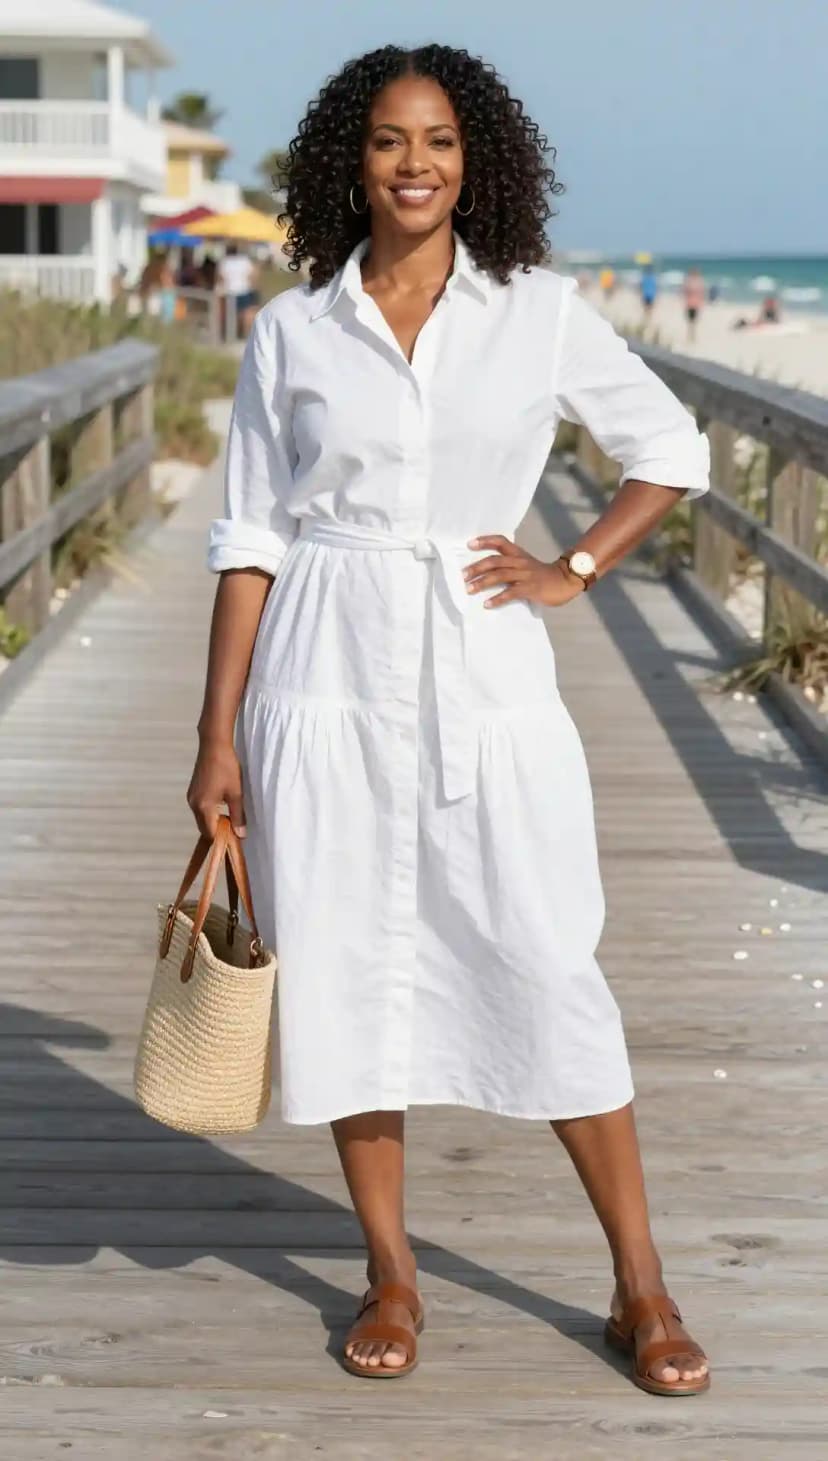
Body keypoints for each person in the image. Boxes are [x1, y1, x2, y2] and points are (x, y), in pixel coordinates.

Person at [188, 43, 711, 1396]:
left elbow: (672, 450)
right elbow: (250, 534)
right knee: (349, 969)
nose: (412, 164)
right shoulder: (295, 328)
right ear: (346, 160)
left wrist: (573, 567)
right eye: (384, 140)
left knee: (546, 957)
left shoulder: (533, 310)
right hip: (322, 668)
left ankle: (638, 1281)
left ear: (475, 159)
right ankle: (392, 1271)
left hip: (484, 670)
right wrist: (215, 737)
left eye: (437, 141)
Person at [218, 243, 260, 338]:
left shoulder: (225, 261)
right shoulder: (245, 260)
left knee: (231, 315)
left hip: (229, 291)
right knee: (246, 315)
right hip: (244, 290)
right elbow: (252, 276)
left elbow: (221, 278)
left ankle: (230, 335)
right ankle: (246, 335)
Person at [682, 266, 705, 344]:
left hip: (695, 304)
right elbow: (685, 292)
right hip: (690, 304)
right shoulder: (691, 282)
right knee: (690, 322)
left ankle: (692, 337)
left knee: (693, 322)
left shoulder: (697, 282)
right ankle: (690, 337)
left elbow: (701, 293)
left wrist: (701, 302)